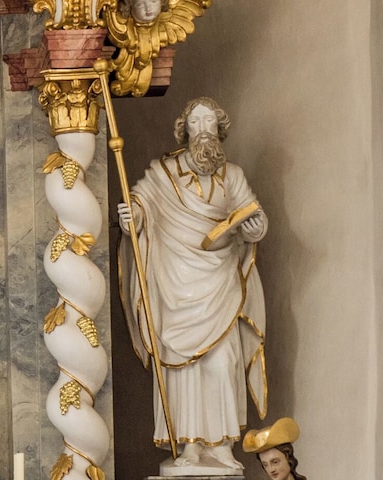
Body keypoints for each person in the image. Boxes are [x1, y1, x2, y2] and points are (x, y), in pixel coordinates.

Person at [117, 97, 267, 472]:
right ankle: (188, 448)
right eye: (196, 122)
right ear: (185, 129)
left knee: (223, 362)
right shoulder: (162, 172)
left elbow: (254, 214)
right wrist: (130, 216)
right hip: (175, 283)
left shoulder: (231, 174)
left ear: (219, 129)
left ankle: (222, 447)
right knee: (183, 370)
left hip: (219, 282)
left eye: (210, 122)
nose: (203, 129)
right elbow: (140, 207)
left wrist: (254, 228)